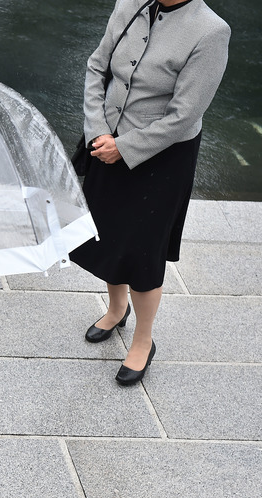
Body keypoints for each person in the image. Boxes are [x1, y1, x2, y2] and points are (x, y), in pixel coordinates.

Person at [69, 0, 230, 385]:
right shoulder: (129, 3)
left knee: (143, 252)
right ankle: (116, 308)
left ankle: (143, 340)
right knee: (108, 237)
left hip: (161, 158)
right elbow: (96, 67)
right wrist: (98, 131)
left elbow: (184, 115)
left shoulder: (211, 31)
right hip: (105, 139)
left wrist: (124, 148)